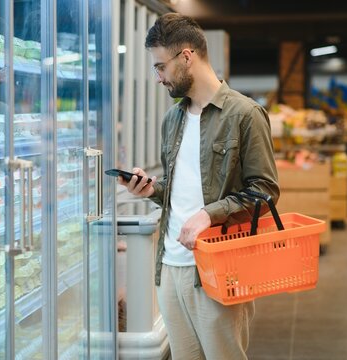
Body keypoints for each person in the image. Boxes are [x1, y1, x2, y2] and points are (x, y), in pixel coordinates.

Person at [117, 13, 279, 360]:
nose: (158, 78)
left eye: (160, 67)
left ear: (186, 57)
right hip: (170, 268)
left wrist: (209, 215)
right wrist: (152, 190)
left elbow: (265, 192)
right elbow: (184, 188)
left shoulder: (245, 115)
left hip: (220, 269)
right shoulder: (172, 119)